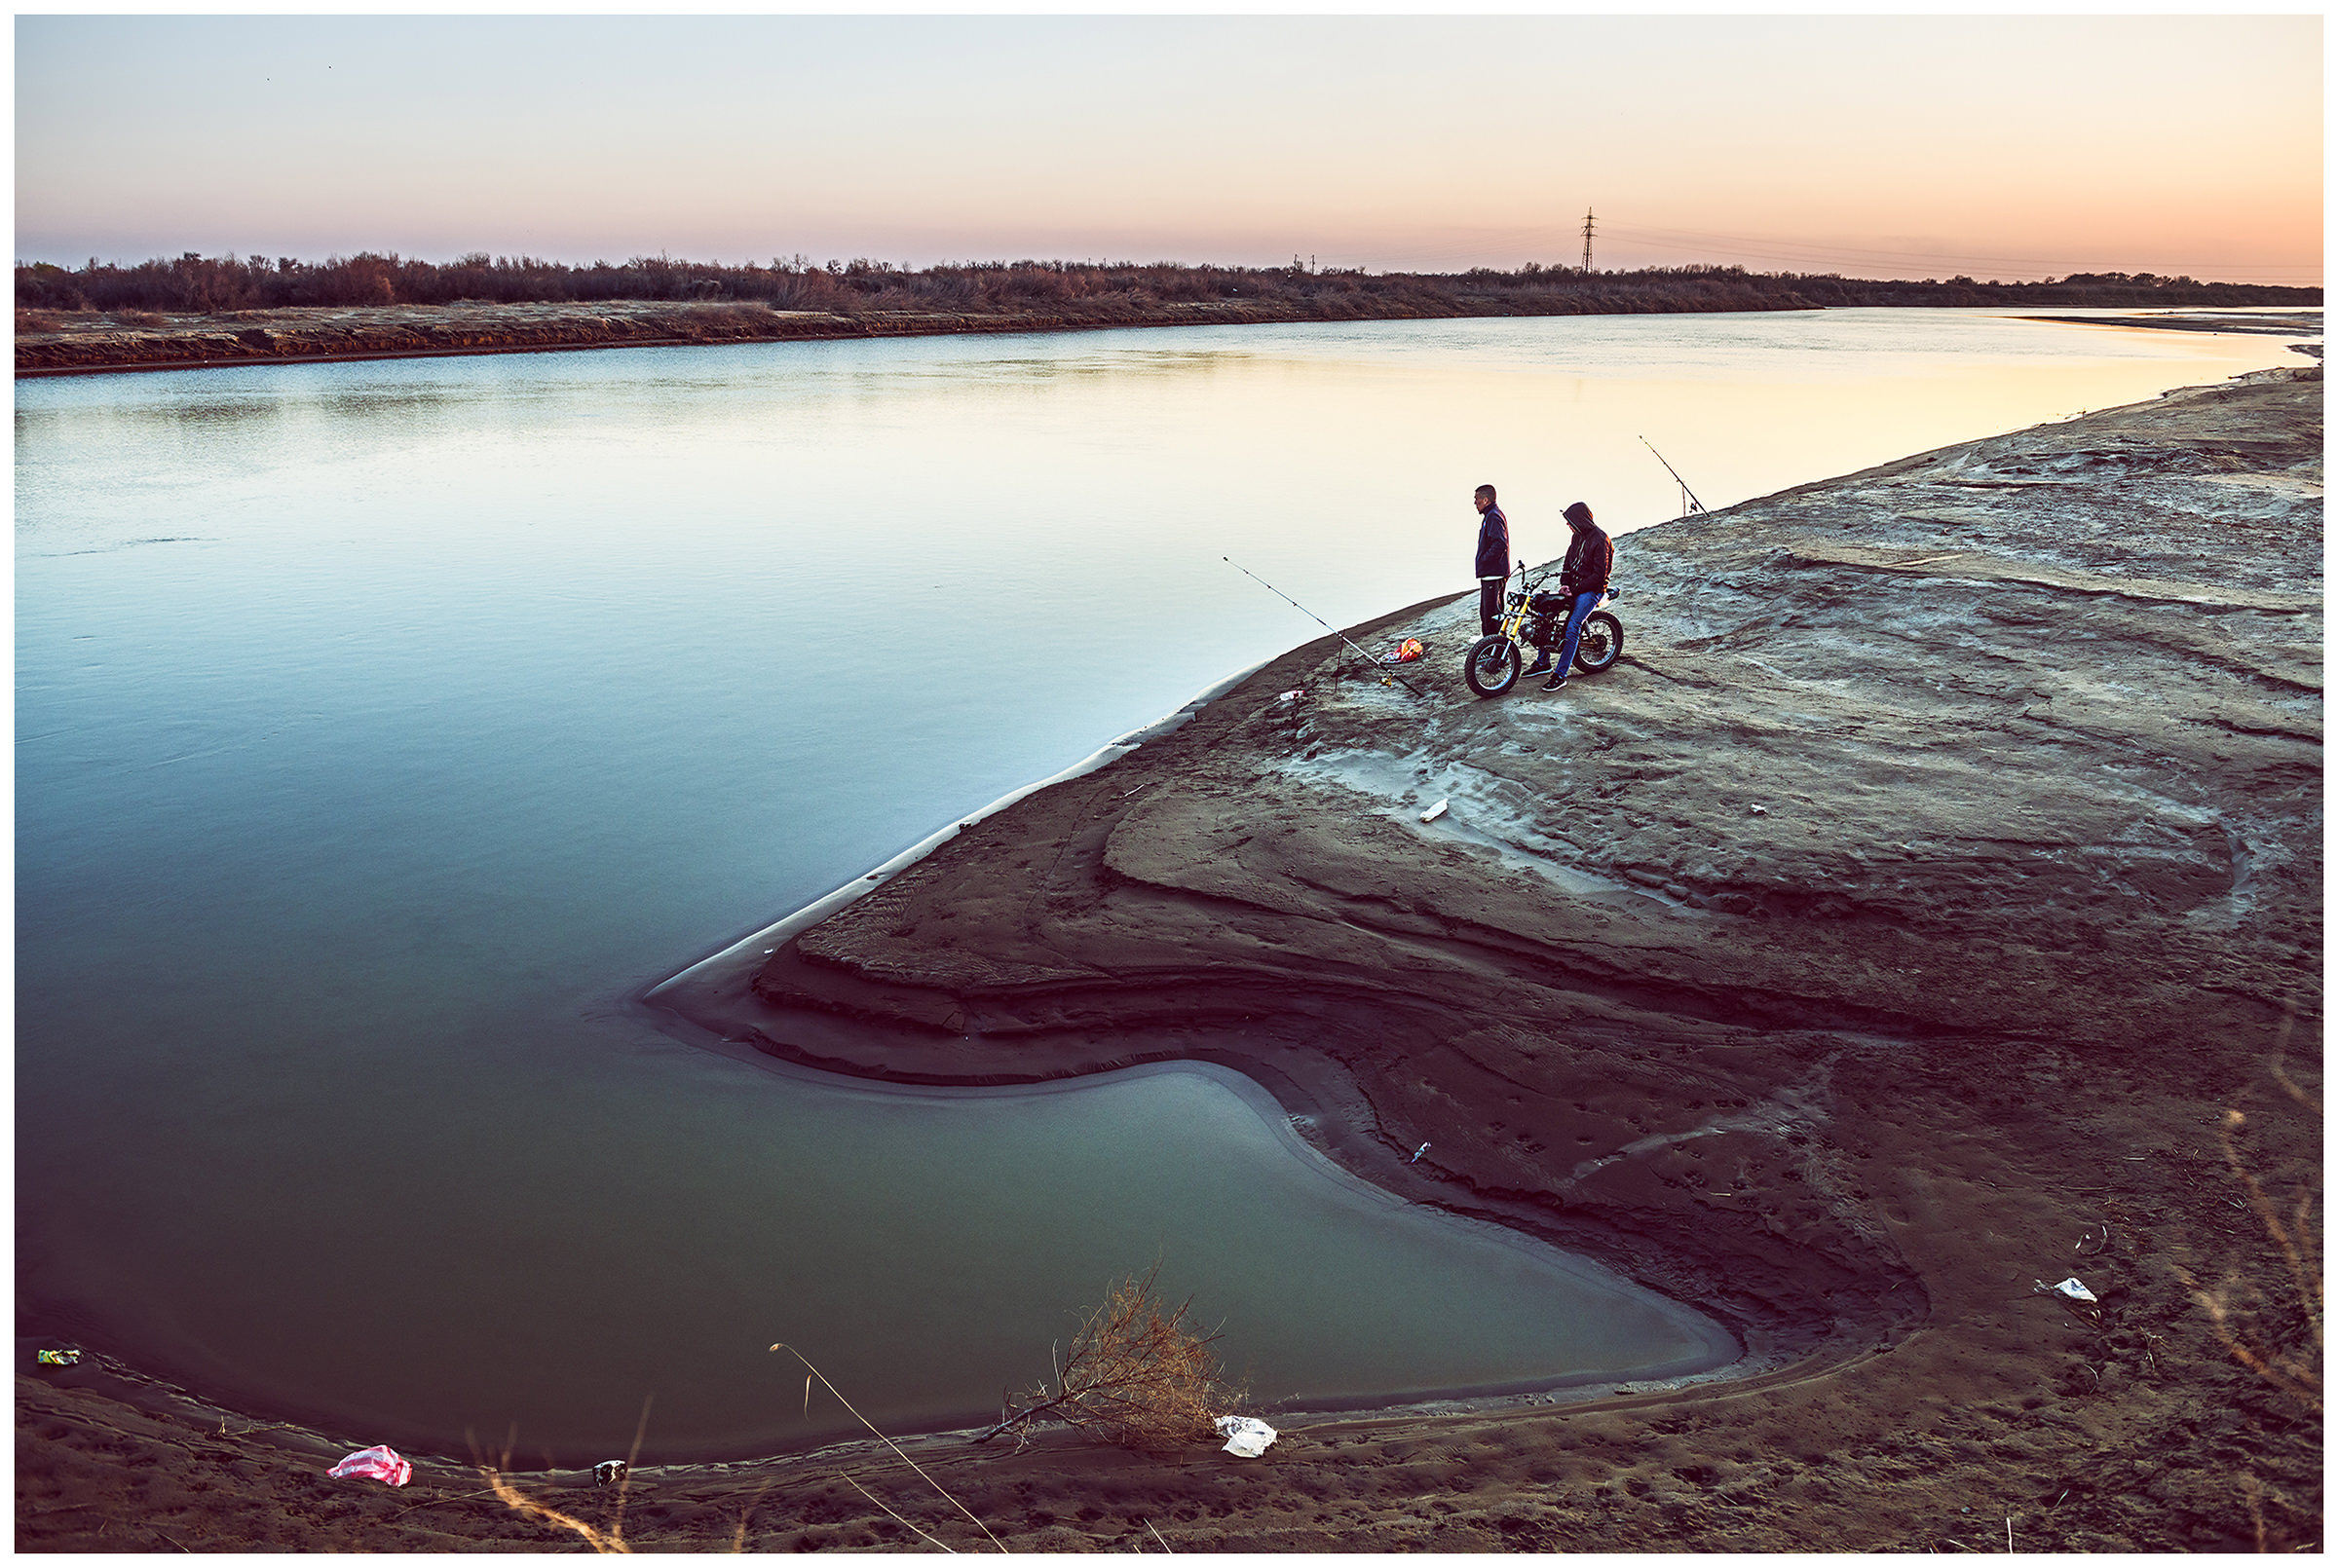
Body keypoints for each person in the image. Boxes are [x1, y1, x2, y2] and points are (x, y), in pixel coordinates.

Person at [1542, 501, 1612, 691]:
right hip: (1574, 587)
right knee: (1545, 615)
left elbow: (1599, 576)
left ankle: (1560, 675)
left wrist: (1576, 589)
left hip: (1592, 590)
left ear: (1579, 520)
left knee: (1573, 626)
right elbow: (1567, 562)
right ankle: (1542, 663)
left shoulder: (1600, 539)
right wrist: (1564, 583)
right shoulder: (1577, 537)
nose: (1567, 525)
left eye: (1569, 521)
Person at [1471, 484, 1510, 637]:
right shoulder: (1491, 515)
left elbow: (1500, 543)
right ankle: (1493, 648)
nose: (1475, 503)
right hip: (1491, 574)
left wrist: (1484, 560)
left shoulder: (1493, 516)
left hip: (1494, 574)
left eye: (1477, 499)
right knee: (1488, 614)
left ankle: (1495, 651)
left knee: (1491, 616)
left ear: (1486, 500)